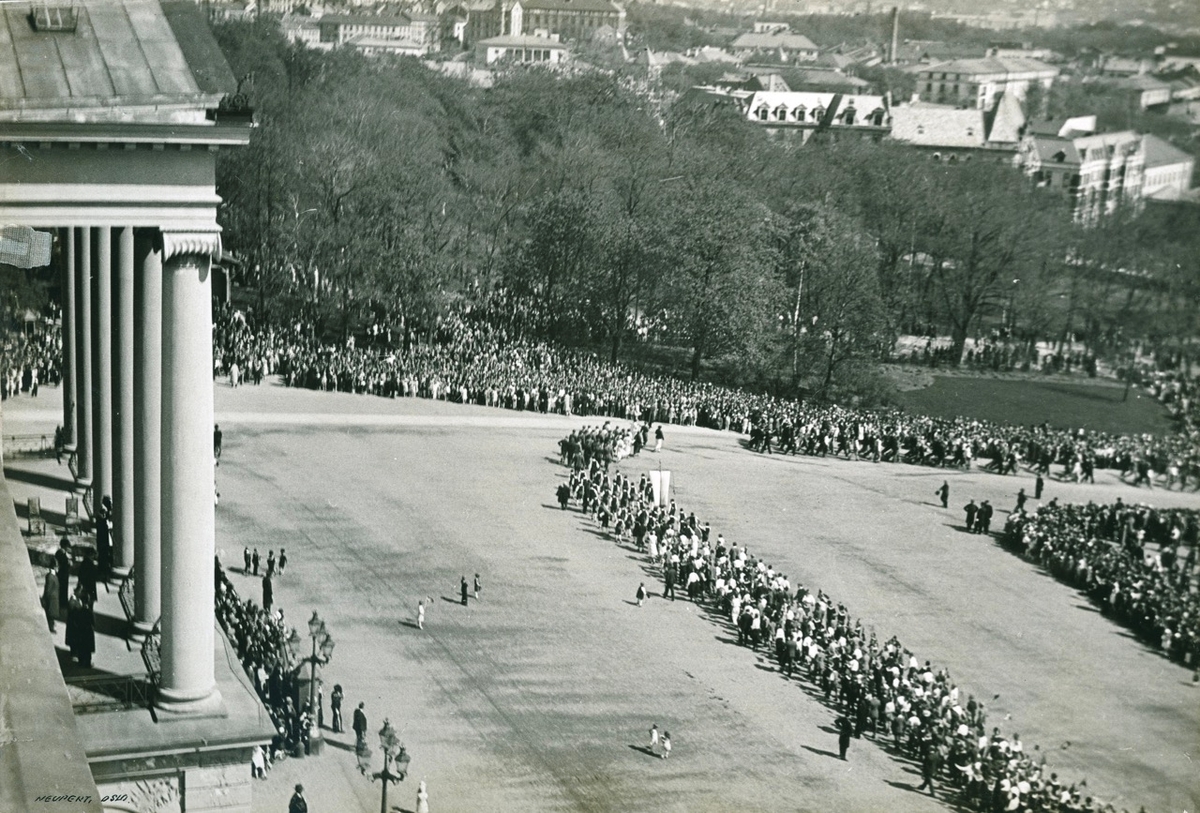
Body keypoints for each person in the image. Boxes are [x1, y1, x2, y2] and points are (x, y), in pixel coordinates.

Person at [55, 538, 72, 613]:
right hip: (62, 574)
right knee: (62, 588)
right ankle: (62, 603)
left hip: (63, 574)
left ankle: (63, 602)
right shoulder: (61, 552)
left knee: (64, 588)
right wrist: (69, 563)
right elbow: (64, 563)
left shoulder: (61, 552)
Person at [41, 566, 59, 633]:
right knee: (50, 613)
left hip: (53, 598)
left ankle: (51, 626)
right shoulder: (51, 576)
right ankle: (50, 627)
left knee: (51, 613)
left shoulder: (52, 575)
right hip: (52, 598)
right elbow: (48, 588)